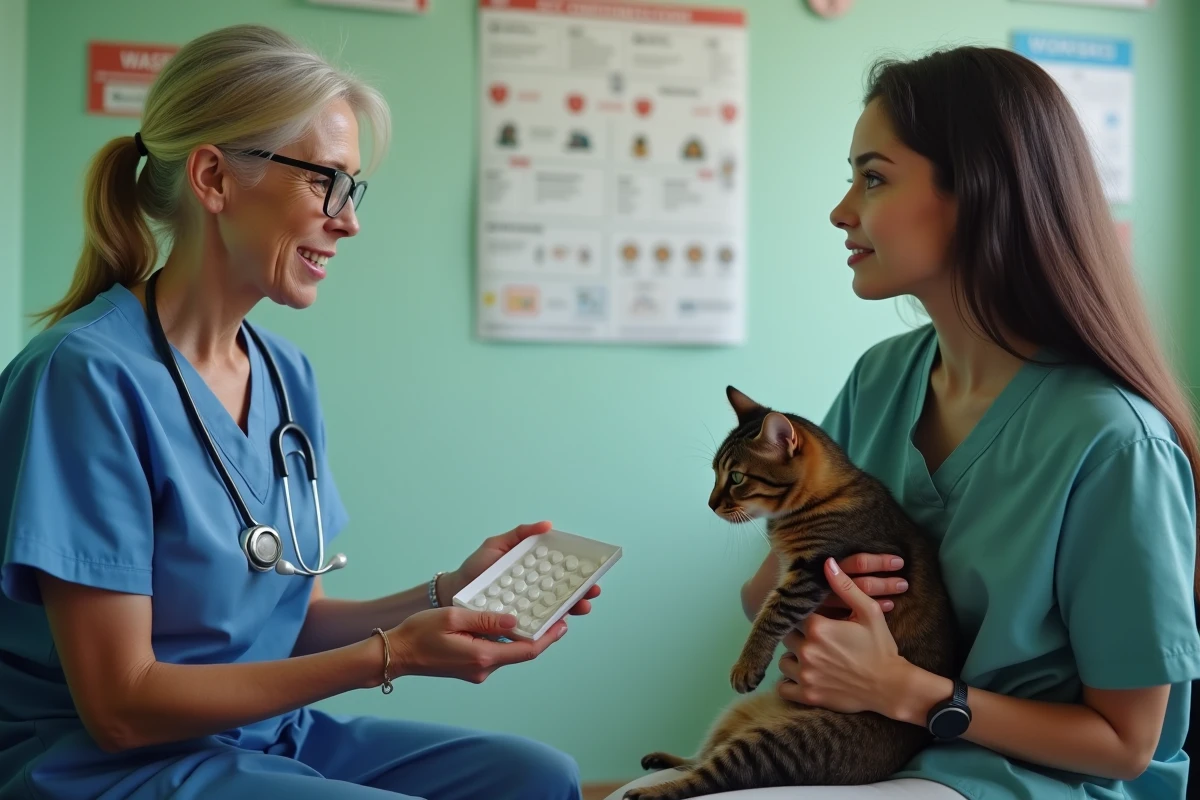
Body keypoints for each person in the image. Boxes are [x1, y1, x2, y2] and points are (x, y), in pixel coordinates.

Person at [0, 24, 599, 800]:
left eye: (352, 188)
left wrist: (448, 593)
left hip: (261, 735)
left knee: (538, 778)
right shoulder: (84, 378)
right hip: (112, 763)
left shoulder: (286, 376)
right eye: (327, 182)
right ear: (213, 178)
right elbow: (120, 707)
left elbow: (290, 622)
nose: (349, 220)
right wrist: (391, 656)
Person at [611, 45, 1200, 800]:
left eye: (874, 177)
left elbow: (1126, 746)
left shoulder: (1115, 442)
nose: (841, 211)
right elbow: (762, 593)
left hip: (1036, 782)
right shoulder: (882, 378)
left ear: (980, 194)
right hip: (882, 755)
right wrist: (826, 603)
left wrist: (905, 690)